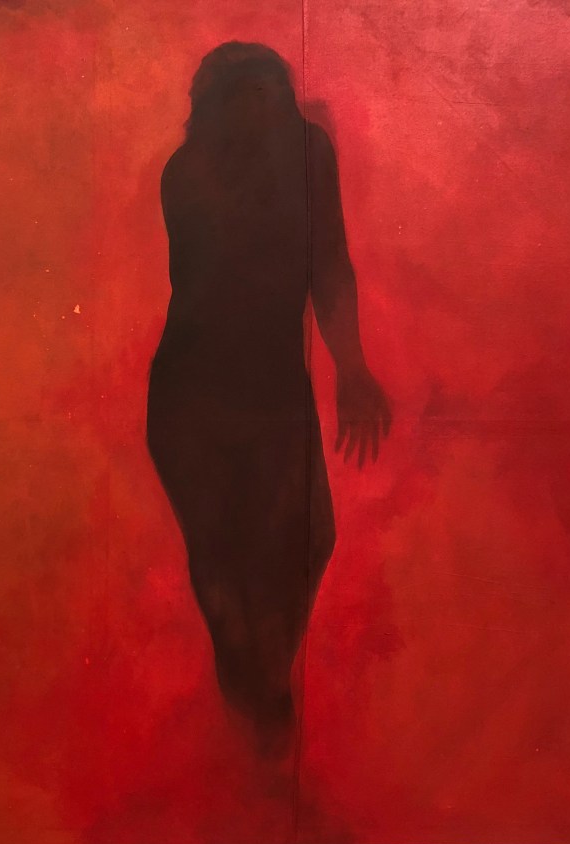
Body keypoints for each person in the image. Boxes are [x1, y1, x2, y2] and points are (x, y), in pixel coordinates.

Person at [146, 41, 391, 753]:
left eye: (275, 93)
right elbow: (281, 271)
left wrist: (352, 368)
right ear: (215, 108)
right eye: (249, 95)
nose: (269, 107)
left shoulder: (305, 154)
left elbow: (329, 262)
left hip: (269, 390)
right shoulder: (189, 173)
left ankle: (259, 694)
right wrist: (347, 368)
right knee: (224, 560)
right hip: (195, 396)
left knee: (306, 541)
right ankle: (254, 709)